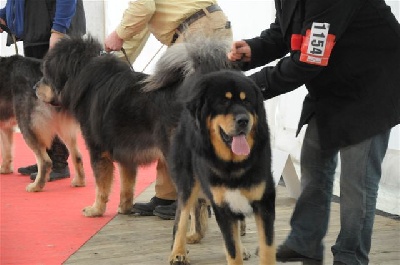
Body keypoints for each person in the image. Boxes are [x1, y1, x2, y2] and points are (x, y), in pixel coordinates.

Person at [227, 0, 400, 264]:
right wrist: (254, 49)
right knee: (314, 166)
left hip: (371, 90)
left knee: (357, 183)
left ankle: (350, 256)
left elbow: (310, 58)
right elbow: (286, 32)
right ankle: (304, 242)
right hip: (332, 86)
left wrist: (251, 88)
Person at [104, 0, 232, 220]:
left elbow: (142, 9)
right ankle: (167, 196)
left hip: (199, 31)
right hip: (196, 28)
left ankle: (192, 198)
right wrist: (115, 63)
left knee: (188, 120)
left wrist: (118, 34)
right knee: (166, 117)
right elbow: (141, 23)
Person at [0, 0, 86, 181]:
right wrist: (6, 16)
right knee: (50, 103)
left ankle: (56, 162)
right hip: (37, 32)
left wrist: (58, 30)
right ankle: (51, 158)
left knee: (50, 103)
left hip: (51, 33)